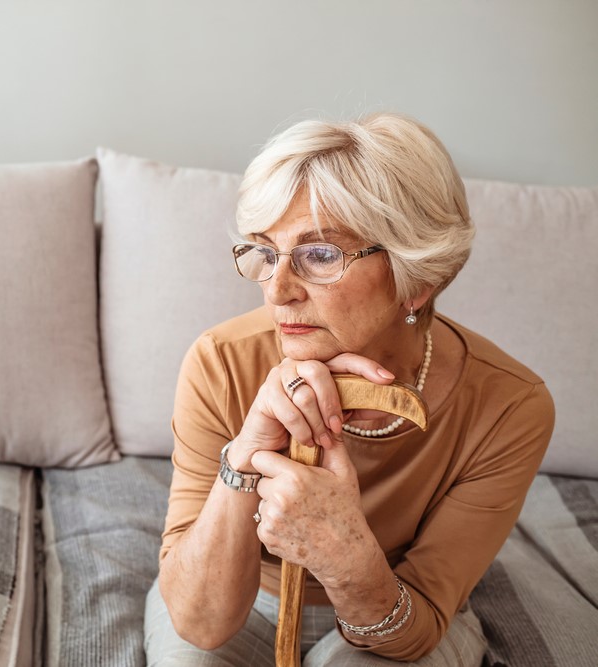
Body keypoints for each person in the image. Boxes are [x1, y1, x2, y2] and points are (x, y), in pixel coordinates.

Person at [145, 112, 554, 665]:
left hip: (392, 597)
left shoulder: (510, 408)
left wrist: (343, 556)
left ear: (418, 279)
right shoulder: (220, 362)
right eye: (266, 252)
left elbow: (421, 622)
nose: (277, 291)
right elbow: (201, 622)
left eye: (319, 255)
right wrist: (244, 456)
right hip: (250, 599)